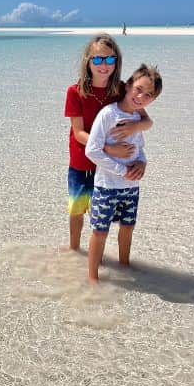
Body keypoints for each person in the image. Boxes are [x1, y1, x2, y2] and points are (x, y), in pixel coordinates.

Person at [64, 34, 153, 251]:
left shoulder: (121, 89)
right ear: (88, 61)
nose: (104, 65)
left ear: (117, 62)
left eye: (110, 60)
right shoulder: (74, 92)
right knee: (76, 211)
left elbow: (147, 121)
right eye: (98, 59)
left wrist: (134, 128)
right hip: (81, 162)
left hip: (109, 168)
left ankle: (100, 262)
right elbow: (78, 133)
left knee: (100, 222)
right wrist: (108, 147)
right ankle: (74, 253)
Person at [84, 64, 163, 282]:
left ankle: (125, 266)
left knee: (128, 228)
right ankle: (92, 279)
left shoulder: (139, 120)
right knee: (100, 232)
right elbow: (92, 150)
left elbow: (139, 149)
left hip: (131, 188)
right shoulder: (108, 114)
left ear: (152, 100)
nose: (141, 96)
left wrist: (143, 164)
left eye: (148, 95)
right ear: (128, 86)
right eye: (138, 89)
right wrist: (121, 170)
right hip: (106, 186)